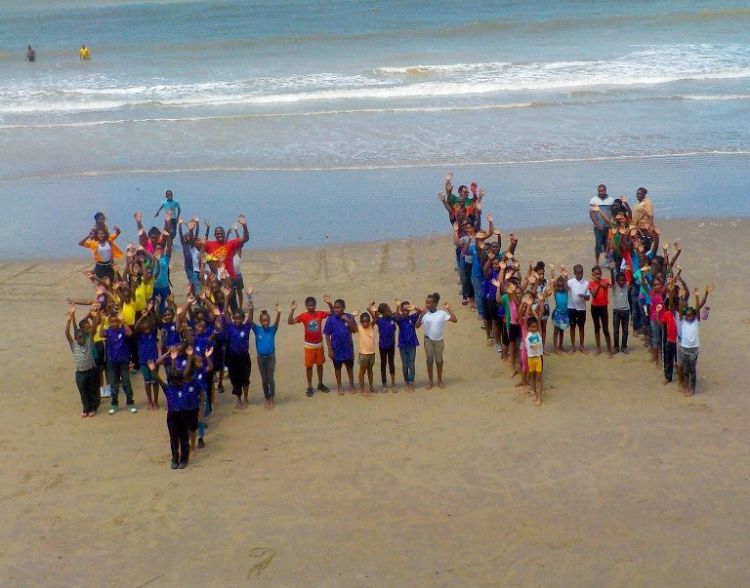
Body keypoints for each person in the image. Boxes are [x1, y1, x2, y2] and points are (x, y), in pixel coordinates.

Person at [149, 355, 196, 469]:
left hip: (183, 414)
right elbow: (158, 380)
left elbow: (187, 370)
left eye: (177, 380)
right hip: (173, 416)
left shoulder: (184, 386)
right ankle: (175, 459)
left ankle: (184, 459)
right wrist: (153, 370)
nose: (176, 382)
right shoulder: (168, 388)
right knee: (174, 438)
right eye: (174, 380)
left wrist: (188, 357)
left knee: (184, 439)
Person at [288, 295, 333, 397]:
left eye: (312, 305)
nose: (311, 307)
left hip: (319, 345)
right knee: (309, 367)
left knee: (320, 365)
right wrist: (292, 310)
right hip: (309, 346)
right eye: (308, 305)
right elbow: (290, 322)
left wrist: (329, 303)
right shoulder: (303, 316)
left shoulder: (320, 313)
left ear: (315, 305)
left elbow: (332, 313)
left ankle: (320, 384)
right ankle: (309, 386)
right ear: (306, 306)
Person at [415, 292, 457, 390]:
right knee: (429, 360)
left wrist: (448, 308)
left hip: (439, 341)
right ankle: (430, 381)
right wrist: (421, 315)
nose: (427, 305)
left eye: (429, 303)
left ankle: (440, 380)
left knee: (439, 361)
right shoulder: (425, 314)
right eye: (426, 303)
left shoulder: (442, 313)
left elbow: (454, 320)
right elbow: (417, 326)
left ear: (435, 304)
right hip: (428, 340)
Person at [678, 285, 713, 396]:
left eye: (691, 316)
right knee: (685, 369)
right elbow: (680, 309)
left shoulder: (696, 320)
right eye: (687, 316)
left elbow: (698, 307)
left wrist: (702, 295)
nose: (688, 317)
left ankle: (692, 388)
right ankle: (686, 386)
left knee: (692, 369)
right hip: (684, 348)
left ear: (695, 316)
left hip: (694, 349)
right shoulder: (682, 320)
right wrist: (680, 298)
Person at [65, 306, 99, 417]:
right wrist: (69, 321)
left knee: (92, 390)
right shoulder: (73, 346)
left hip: (91, 370)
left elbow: (93, 330)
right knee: (83, 392)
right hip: (80, 373)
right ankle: (86, 408)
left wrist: (94, 317)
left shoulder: (89, 342)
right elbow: (67, 334)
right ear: (75, 338)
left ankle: (93, 407)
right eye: (78, 338)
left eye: (82, 337)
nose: (81, 339)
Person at [102, 312, 137, 414]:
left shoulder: (123, 330)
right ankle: (114, 404)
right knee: (114, 384)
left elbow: (130, 333)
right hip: (112, 362)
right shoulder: (108, 331)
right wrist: (104, 320)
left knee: (126, 382)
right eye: (111, 322)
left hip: (123, 361)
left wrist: (123, 321)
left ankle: (130, 403)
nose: (114, 324)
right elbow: (100, 334)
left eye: (116, 321)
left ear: (118, 322)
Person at [223, 289, 252, 409]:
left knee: (245, 378)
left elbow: (251, 312)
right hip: (233, 357)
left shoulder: (246, 327)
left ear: (243, 318)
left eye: (239, 318)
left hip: (244, 356)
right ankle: (238, 399)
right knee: (235, 379)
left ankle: (246, 398)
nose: (237, 320)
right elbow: (225, 311)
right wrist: (226, 297)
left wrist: (249, 297)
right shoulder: (230, 327)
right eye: (235, 318)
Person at [249, 298, 280, 409]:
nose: (266, 322)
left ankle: (272, 397)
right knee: (264, 379)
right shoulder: (257, 330)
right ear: (261, 321)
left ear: (269, 321)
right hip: (261, 358)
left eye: (267, 320)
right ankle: (267, 397)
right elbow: (250, 321)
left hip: (271, 357)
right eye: (263, 321)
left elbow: (277, 323)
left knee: (270, 378)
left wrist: (279, 312)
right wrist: (250, 306)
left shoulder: (272, 330)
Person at [323, 298, 357, 395]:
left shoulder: (350, 316)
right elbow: (326, 334)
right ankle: (339, 386)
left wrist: (348, 320)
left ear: (344, 308)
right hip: (336, 349)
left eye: (339, 308)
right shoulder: (330, 319)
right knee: (337, 369)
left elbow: (354, 330)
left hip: (348, 349)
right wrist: (329, 349)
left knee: (350, 368)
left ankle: (351, 384)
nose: (337, 309)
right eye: (335, 308)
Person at [394, 300, 420, 391]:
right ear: (401, 310)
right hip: (402, 345)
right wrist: (397, 307)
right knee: (405, 365)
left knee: (411, 364)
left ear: (409, 311)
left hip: (412, 344)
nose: (405, 312)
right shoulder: (400, 319)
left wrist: (414, 307)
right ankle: (406, 380)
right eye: (403, 310)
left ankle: (411, 382)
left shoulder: (412, 318)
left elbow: (420, 312)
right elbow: (396, 317)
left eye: (407, 310)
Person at [588, 265, 613, 356]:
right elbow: (593, 295)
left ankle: (609, 349)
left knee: (605, 329)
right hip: (594, 307)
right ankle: (598, 348)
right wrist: (599, 284)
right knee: (597, 327)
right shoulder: (591, 284)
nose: (598, 275)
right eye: (596, 274)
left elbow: (612, 284)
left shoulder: (605, 281)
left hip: (603, 307)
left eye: (599, 274)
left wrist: (612, 272)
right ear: (593, 274)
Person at [355, 305, 378, 397]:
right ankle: (362, 389)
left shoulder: (371, 326)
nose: (365, 323)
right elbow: (351, 323)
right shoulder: (359, 328)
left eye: (367, 321)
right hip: (363, 354)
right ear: (361, 322)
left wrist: (370, 309)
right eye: (363, 322)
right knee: (362, 371)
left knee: (370, 370)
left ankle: (371, 387)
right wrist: (353, 316)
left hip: (372, 353)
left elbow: (375, 318)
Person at [589, 184, 615, 265]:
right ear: (598, 191)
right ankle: (597, 262)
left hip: (609, 227)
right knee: (598, 245)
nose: (601, 192)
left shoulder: (611, 200)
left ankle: (608, 261)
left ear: (605, 190)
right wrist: (597, 225)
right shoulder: (594, 200)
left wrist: (613, 224)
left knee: (609, 244)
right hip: (598, 228)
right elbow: (591, 214)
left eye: (602, 190)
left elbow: (614, 213)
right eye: (599, 191)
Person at [567, 264, 590, 353]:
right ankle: (573, 346)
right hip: (571, 307)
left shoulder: (586, 283)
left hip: (581, 309)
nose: (579, 275)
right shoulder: (569, 282)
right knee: (572, 327)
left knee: (581, 327)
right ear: (574, 273)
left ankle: (581, 345)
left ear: (583, 272)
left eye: (581, 273)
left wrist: (583, 296)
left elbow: (588, 298)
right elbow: (564, 289)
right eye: (577, 273)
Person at [376, 302, 397, 391]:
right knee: (383, 364)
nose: (389, 310)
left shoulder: (392, 318)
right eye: (387, 310)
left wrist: (398, 306)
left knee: (391, 364)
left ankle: (393, 383)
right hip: (383, 346)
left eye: (389, 308)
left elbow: (397, 314)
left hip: (391, 345)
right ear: (383, 313)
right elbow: (369, 310)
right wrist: (375, 310)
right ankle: (384, 384)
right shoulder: (379, 320)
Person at [525, 314, 544, 406]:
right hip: (530, 359)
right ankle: (534, 393)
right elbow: (533, 346)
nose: (534, 328)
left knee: (539, 378)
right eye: (532, 327)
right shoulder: (527, 335)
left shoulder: (538, 332)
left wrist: (540, 302)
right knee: (532, 377)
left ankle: (539, 397)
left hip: (538, 358)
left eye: (536, 326)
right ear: (528, 327)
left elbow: (539, 318)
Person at [610, 266, 631, 354]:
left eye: (623, 280)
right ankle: (616, 347)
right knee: (615, 330)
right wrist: (611, 271)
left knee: (625, 330)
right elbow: (612, 281)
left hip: (626, 311)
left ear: (625, 280)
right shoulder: (615, 287)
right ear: (617, 281)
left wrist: (630, 271)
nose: (621, 282)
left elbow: (632, 280)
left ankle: (624, 346)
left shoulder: (627, 287)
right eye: (620, 280)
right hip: (617, 311)